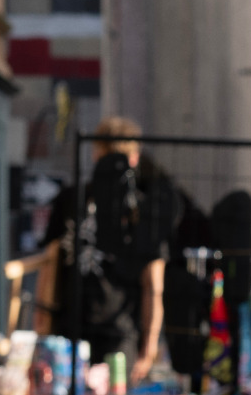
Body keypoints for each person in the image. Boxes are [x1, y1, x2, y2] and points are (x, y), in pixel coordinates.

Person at [45, 116, 171, 380]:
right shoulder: (73, 198)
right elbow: (153, 285)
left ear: (95, 152)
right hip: (87, 330)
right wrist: (148, 347)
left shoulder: (139, 209)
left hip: (104, 331)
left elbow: (153, 282)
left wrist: (149, 348)